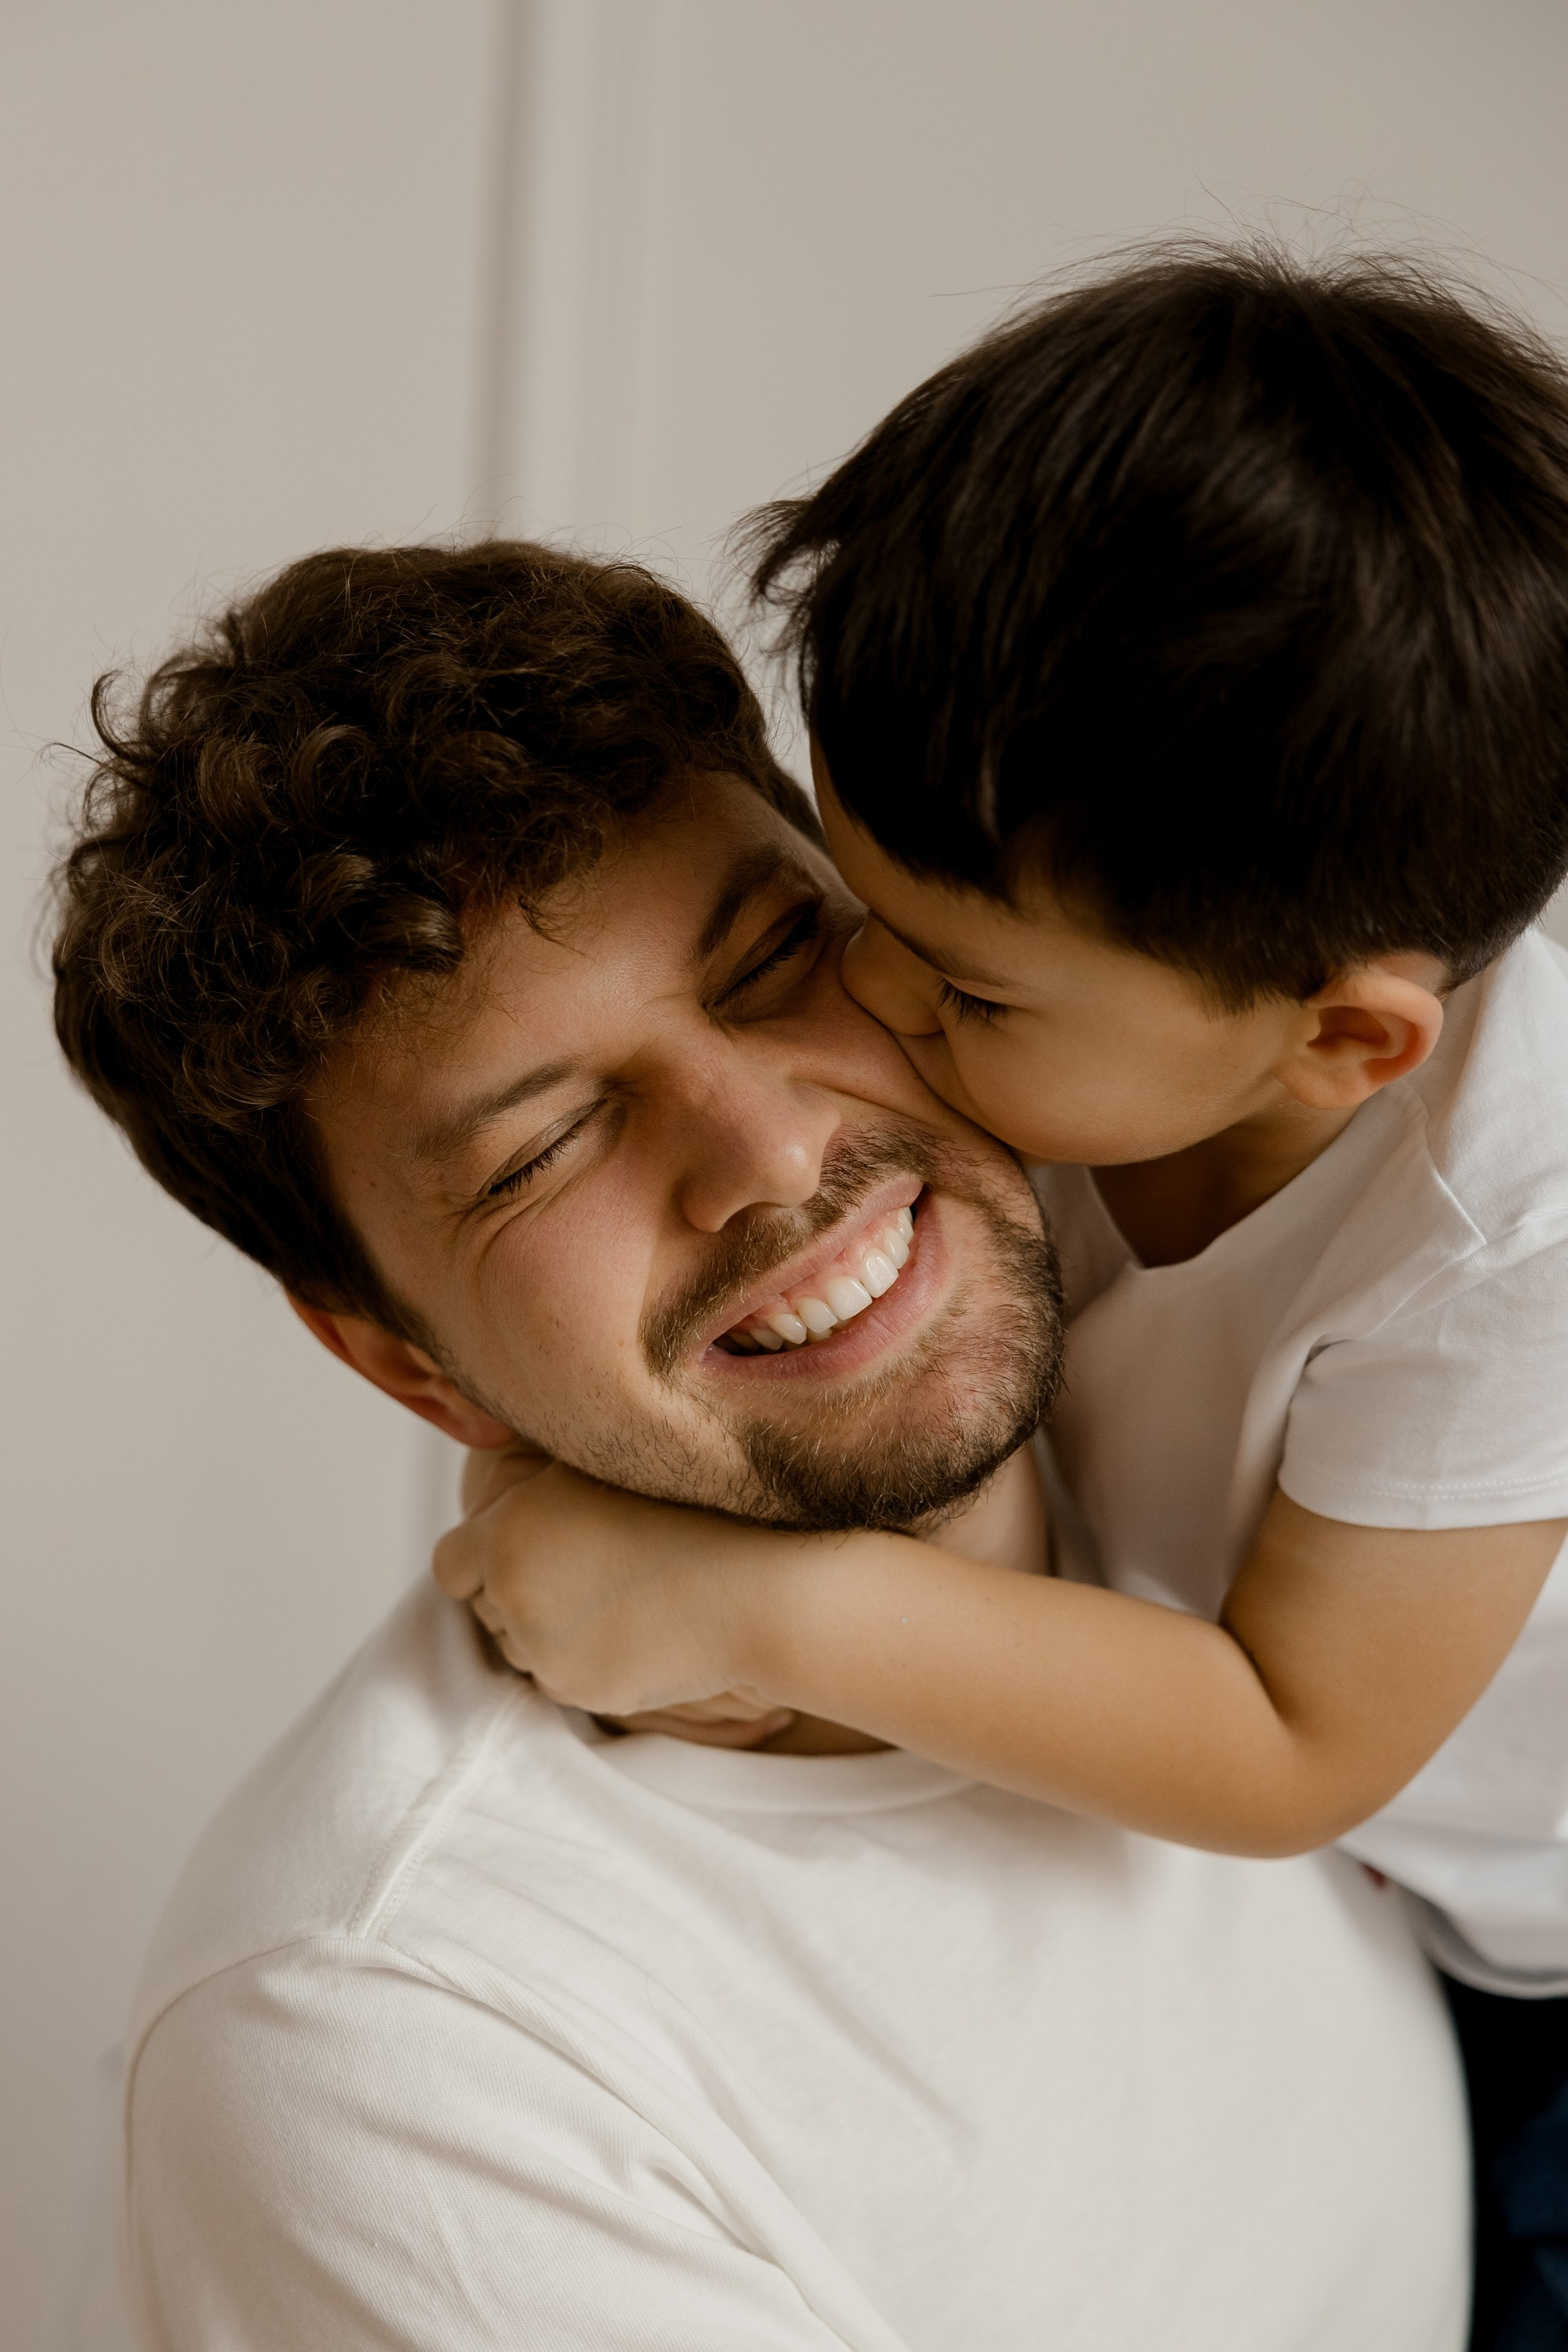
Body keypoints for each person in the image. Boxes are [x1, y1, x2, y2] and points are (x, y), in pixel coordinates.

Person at [51, 541, 1468, 2350]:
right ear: (408, 1366)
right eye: (544, 1150)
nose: (771, 1158)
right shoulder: (399, 2046)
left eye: (777, 959)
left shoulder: (1251, 1329)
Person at [431, 249, 1568, 2350]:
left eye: (958, 990)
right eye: (852, 905)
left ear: (1344, 1045)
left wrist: (744, 1605)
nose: (869, 1003)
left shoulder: (1509, 1241)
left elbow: (1292, 1739)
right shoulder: (1126, 963)